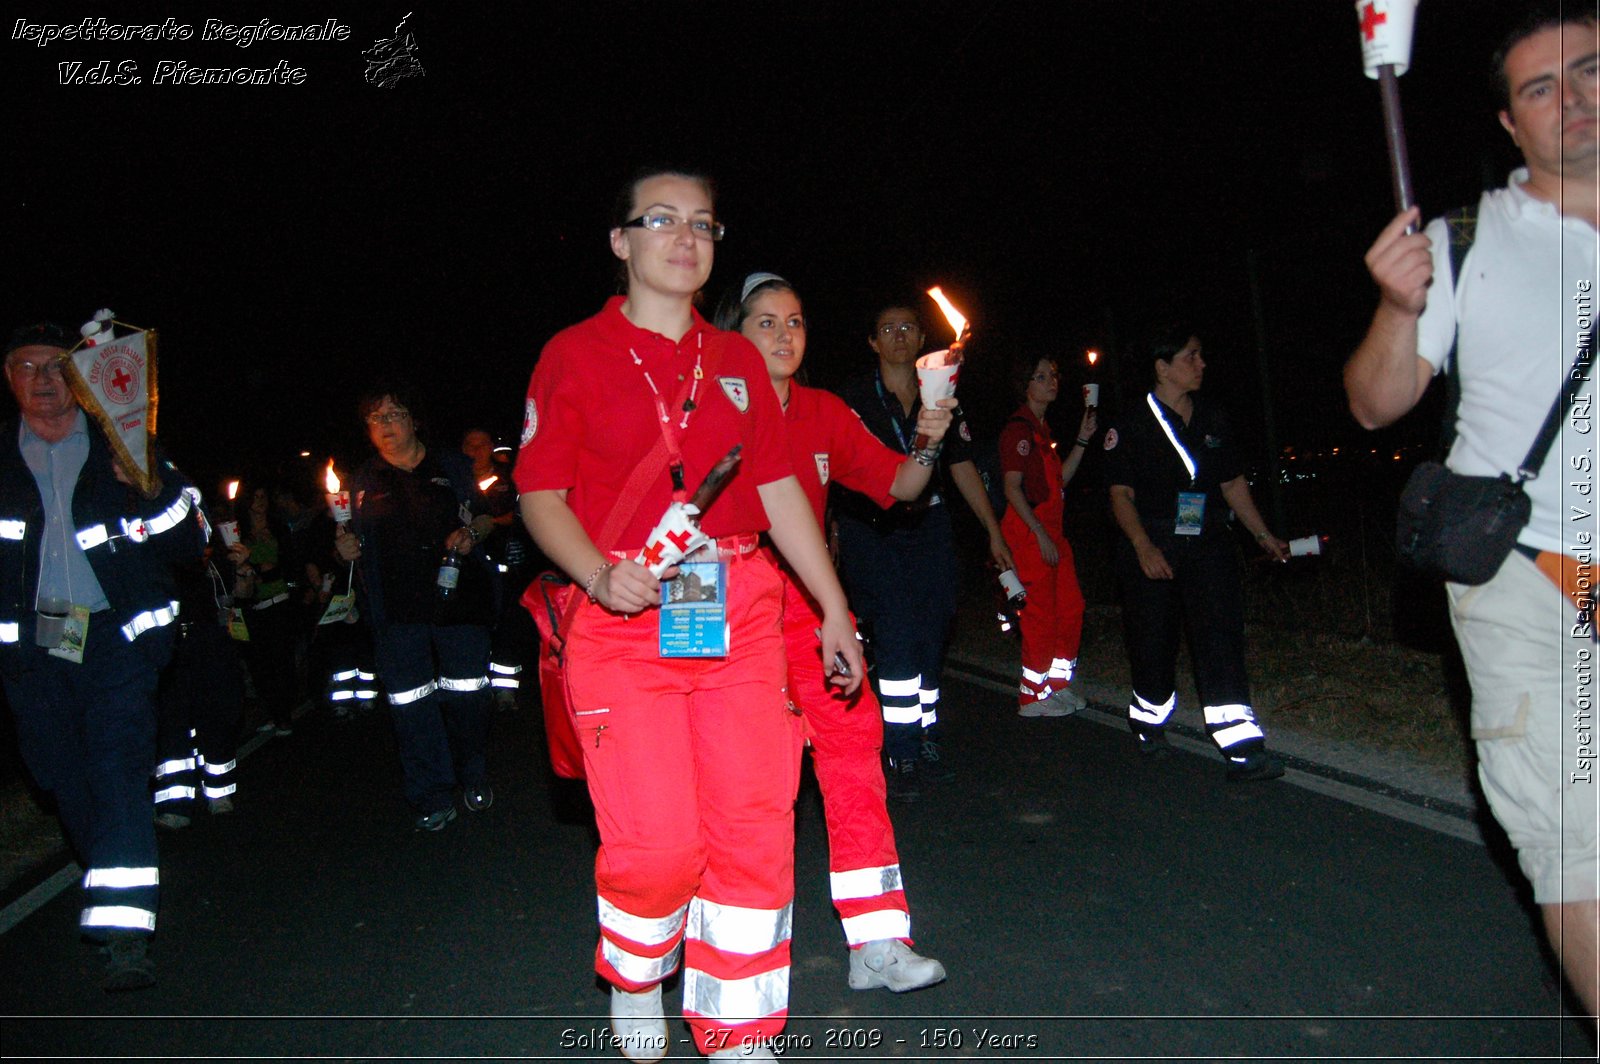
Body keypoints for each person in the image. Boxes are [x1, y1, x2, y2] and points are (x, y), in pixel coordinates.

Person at [516, 169, 864, 1063]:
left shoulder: (740, 359)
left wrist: (831, 607)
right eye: (661, 219)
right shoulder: (574, 354)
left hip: (741, 606)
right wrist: (596, 574)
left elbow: (782, 487)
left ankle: (739, 1025)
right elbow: (539, 495)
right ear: (620, 240)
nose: (685, 236)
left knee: (755, 822)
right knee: (660, 840)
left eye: (703, 223)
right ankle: (635, 976)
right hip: (625, 614)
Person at [1343, 5, 1598, 1020]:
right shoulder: (1464, 238)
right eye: (1540, 88)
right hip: (1531, 580)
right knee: (1576, 833)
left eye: (1588, 71)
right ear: (1508, 123)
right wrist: (1397, 307)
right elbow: (1373, 400)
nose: (1570, 99)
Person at [714, 271, 949, 994]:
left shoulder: (823, 412)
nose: (785, 335)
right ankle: (731, 969)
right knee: (746, 788)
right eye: (765, 323)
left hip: (813, 613)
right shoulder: (704, 412)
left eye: (795, 321)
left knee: (853, 754)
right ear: (733, 334)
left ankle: (877, 942)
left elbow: (903, 487)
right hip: (722, 617)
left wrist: (930, 435)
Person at [0, 321, 204, 990]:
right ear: (10, 379)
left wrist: (150, 489)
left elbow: (189, 539)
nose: (43, 380)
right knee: (64, 778)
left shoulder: (123, 441)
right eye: (27, 368)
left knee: (118, 773)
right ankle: (109, 872)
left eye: (56, 366)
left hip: (119, 641)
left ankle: (123, 935)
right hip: (37, 650)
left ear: (78, 375)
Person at [833, 300, 1013, 801]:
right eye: (887, 328)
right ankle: (901, 748)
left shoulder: (943, 393)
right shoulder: (852, 398)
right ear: (873, 342)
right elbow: (831, 473)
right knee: (896, 633)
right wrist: (829, 535)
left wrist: (992, 531)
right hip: (872, 530)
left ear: (920, 339)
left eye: (908, 327)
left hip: (929, 526)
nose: (898, 335)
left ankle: (928, 734)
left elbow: (960, 466)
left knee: (934, 629)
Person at [1102, 326, 1288, 782]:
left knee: (1220, 636)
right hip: (1154, 541)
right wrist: (1143, 546)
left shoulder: (1213, 416)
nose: (1201, 364)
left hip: (1208, 541)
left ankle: (1242, 745)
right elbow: (1121, 496)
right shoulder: (1127, 423)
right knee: (1153, 643)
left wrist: (1264, 536)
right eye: (1191, 356)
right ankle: (1148, 717)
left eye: (1201, 355)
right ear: (1161, 367)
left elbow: (1232, 484)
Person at [333, 382, 496, 832]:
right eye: (375, 418)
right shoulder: (362, 482)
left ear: (413, 419)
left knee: (467, 696)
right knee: (411, 704)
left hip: (459, 602)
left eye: (394, 414)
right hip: (398, 612)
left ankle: (472, 772)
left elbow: (484, 516)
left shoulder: (452, 466)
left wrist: (472, 535)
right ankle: (431, 792)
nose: (385, 425)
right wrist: (343, 548)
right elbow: (351, 542)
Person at [997, 355, 1096, 718]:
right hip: (1030, 534)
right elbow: (1011, 488)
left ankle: (1056, 686)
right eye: (1041, 376)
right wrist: (1038, 533)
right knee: (1039, 616)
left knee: (1070, 609)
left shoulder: (1042, 431)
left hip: (1053, 533)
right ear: (1026, 385)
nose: (1051, 381)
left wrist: (1083, 440)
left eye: (1053, 375)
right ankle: (1031, 697)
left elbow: (1059, 481)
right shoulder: (1018, 430)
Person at [462, 427, 534, 709]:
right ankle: (472, 688)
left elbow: (525, 513)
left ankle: (505, 691)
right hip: (469, 569)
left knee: (508, 627)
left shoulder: (508, 480)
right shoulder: (456, 481)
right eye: (469, 444)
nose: (475, 450)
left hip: (506, 568)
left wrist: (492, 523)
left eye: (481, 444)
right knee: (473, 629)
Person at [229, 480, 299, 736]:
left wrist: (263, 571)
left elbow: (284, 564)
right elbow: (239, 567)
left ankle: (284, 715)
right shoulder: (238, 534)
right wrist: (257, 571)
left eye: (263, 496)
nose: (260, 502)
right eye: (255, 497)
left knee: (281, 661)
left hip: (278, 603)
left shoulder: (277, 529)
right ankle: (273, 712)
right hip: (253, 607)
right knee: (260, 666)